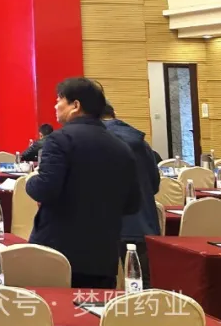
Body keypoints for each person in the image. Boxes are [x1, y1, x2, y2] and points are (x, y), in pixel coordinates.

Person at [26, 78, 140, 289]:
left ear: (75, 105)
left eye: (59, 100)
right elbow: (133, 204)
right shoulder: (122, 147)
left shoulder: (59, 140)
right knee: (92, 307)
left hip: (58, 251)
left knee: (53, 307)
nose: (55, 106)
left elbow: (46, 189)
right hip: (102, 255)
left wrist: (30, 181)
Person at [102, 103, 161, 284]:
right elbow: (154, 185)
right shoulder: (141, 142)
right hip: (143, 226)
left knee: (106, 293)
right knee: (142, 289)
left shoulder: (94, 142)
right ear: (114, 114)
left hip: (106, 230)